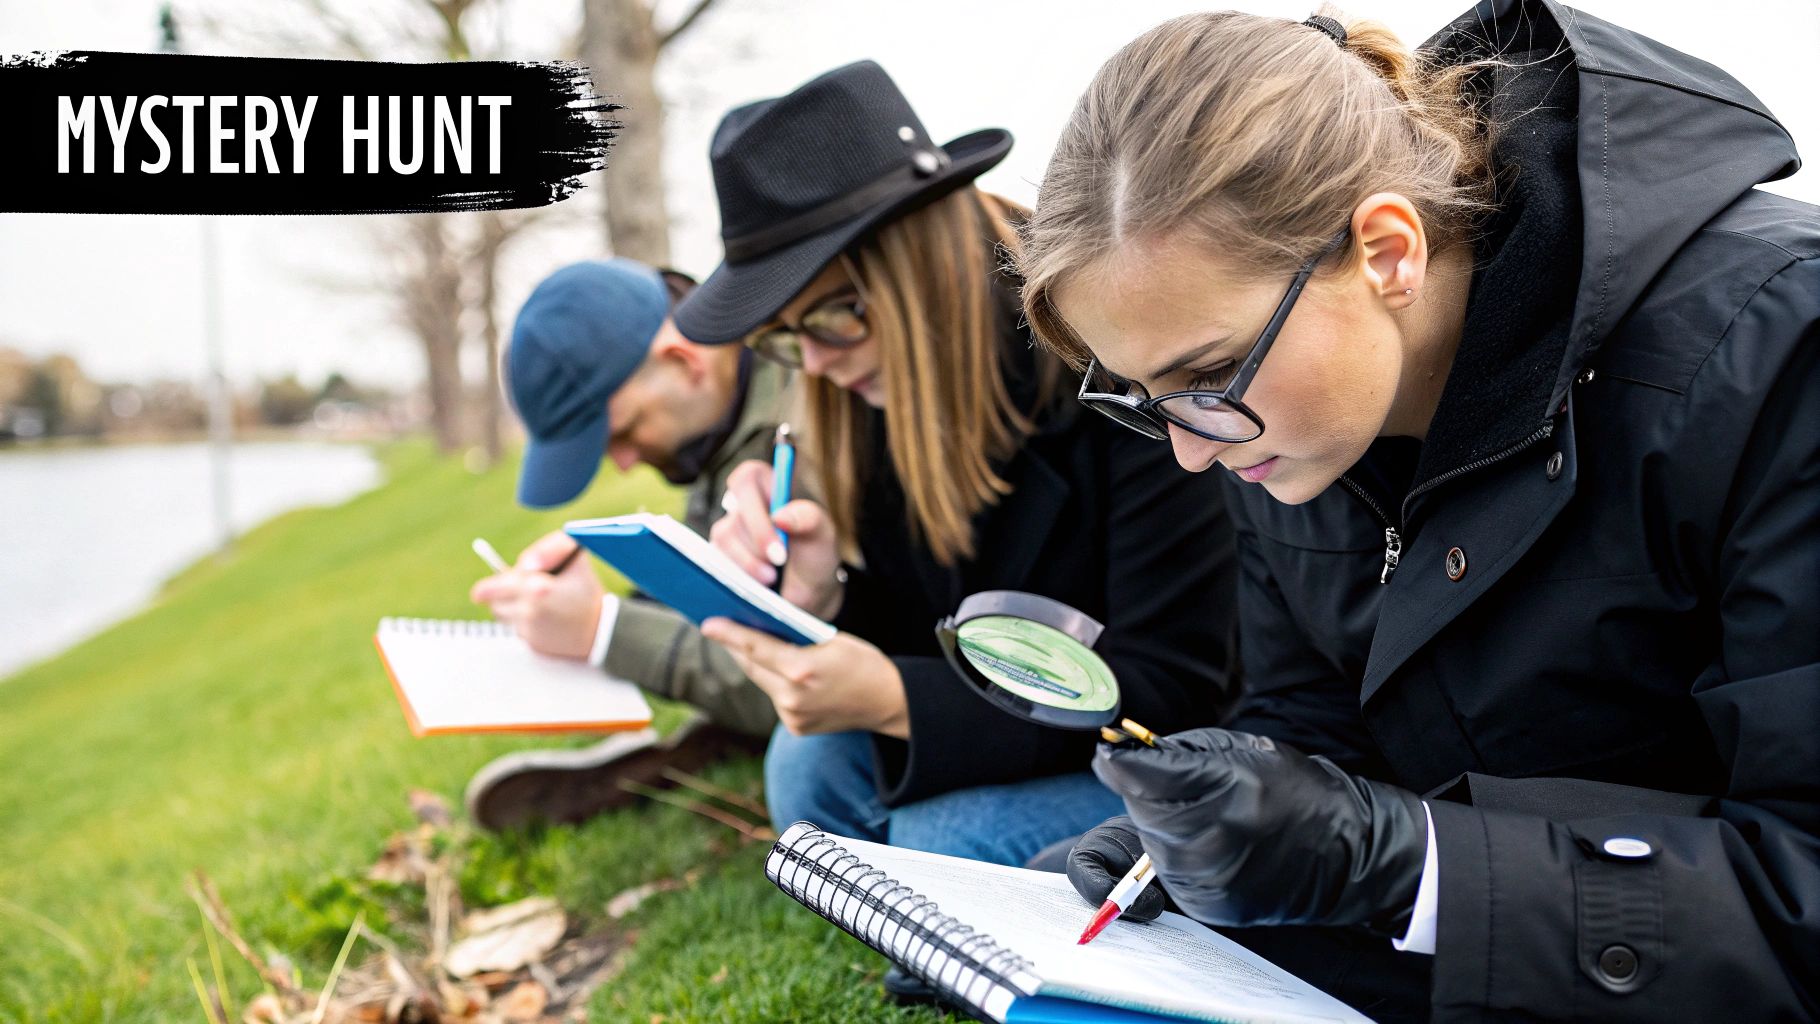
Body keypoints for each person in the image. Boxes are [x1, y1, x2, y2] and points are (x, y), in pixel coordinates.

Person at [1016, 2, 1820, 1020]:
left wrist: (1402, 866)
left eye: (1209, 375)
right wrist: (1210, 823)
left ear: (1387, 252)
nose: (1185, 449)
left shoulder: (1783, 354)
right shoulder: (1284, 433)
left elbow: (1803, 890)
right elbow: (1313, 719)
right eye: (1142, 398)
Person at [671, 61, 1239, 871]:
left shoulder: (1110, 365)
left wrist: (899, 702)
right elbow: (939, 627)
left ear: (918, 270)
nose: (818, 364)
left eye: (836, 315)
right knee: (807, 767)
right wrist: (826, 592)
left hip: (1165, 740)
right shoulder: (867, 397)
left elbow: (1177, 686)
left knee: (951, 842)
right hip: (1026, 723)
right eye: (787, 336)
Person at [463, 258, 792, 831]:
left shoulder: (801, 416)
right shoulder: (725, 417)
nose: (623, 461)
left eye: (625, 431)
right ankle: (710, 743)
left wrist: (601, 628)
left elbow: (801, 670)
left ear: (684, 363)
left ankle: (719, 742)